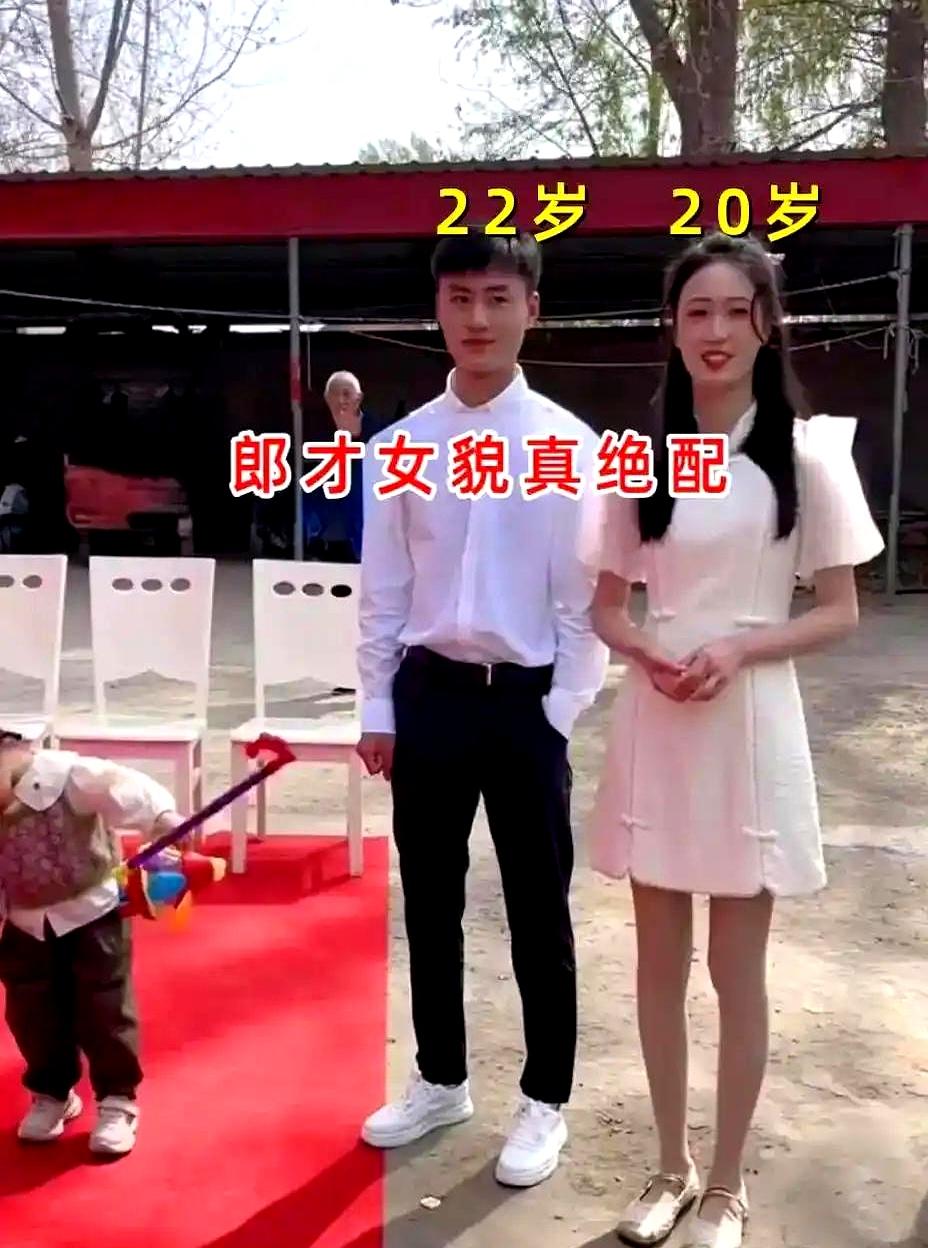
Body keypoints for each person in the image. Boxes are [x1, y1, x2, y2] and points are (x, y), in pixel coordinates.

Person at [587, 232, 884, 1248]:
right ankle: (668, 1168)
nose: (714, 330)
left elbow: (841, 609)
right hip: (659, 721)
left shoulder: (807, 456)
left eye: (734, 310)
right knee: (656, 964)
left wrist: (742, 647)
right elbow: (607, 607)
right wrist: (646, 652)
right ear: (671, 330)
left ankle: (725, 1186)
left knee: (734, 968)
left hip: (749, 723)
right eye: (695, 312)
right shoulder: (640, 458)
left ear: (767, 323)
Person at [355, 229, 608, 1187]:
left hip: (525, 704)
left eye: (498, 298)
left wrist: (563, 709)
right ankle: (440, 1077)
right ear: (438, 310)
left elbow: (582, 599)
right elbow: (383, 590)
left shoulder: (568, 447)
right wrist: (378, 707)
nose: (478, 317)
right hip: (429, 696)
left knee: (539, 907)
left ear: (531, 310)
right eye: (460, 298)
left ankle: (546, 1098)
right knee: (431, 899)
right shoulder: (401, 448)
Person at [0, 729, 188, 1156]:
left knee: (105, 1011)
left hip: (92, 913)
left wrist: (162, 817)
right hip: (25, 923)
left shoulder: (69, 775)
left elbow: (125, 787)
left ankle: (117, 1100)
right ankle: (52, 1093)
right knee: (31, 1016)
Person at [302, 371, 371, 563]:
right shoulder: (318, 439)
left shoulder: (378, 434)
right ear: (327, 399)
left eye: (347, 394)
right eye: (334, 394)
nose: (341, 400)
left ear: (359, 398)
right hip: (329, 534)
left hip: (368, 535)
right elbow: (309, 488)